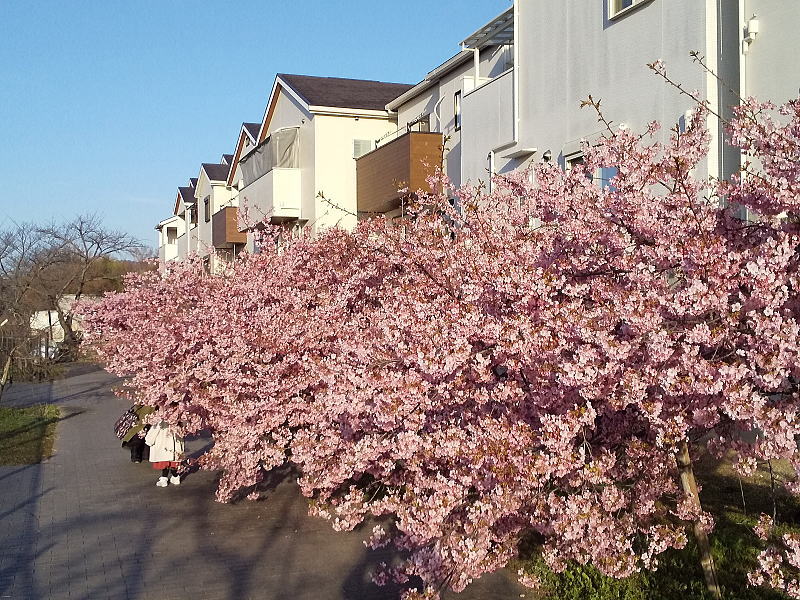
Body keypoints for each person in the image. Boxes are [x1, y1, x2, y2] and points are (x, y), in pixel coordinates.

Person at [144, 421, 184, 487]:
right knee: (173, 463)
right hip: (175, 446)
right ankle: (175, 477)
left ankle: (164, 480)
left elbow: (154, 431)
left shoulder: (160, 420)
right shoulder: (177, 420)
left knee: (165, 464)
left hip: (163, 446)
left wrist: (149, 440)